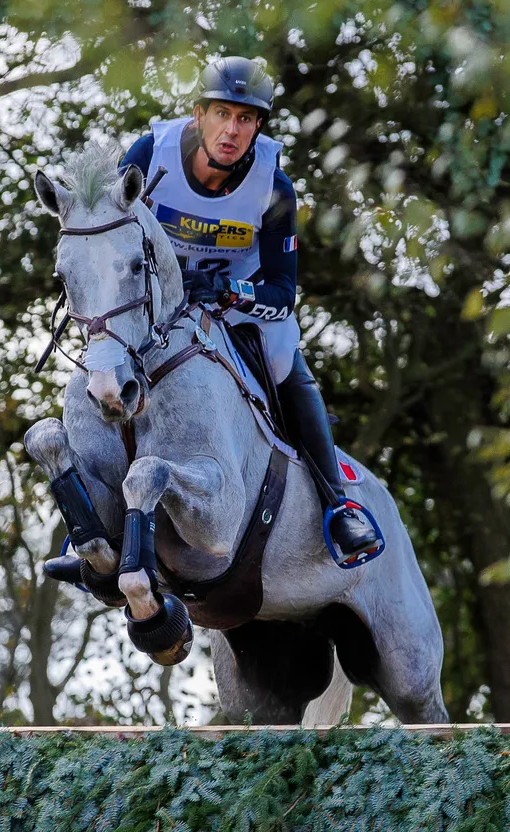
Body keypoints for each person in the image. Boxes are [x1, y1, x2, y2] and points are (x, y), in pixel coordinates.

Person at [119, 56, 381, 558]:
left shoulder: (274, 188)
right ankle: (86, 514)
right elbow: (109, 231)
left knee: (284, 353)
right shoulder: (150, 154)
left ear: (259, 126)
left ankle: (338, 505)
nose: (231, 131)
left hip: (231, 300)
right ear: (198, 115)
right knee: (106, 357)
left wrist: (230, 293)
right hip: (155, 301)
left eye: (245, 119)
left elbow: (284, 293)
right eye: (222, 114)